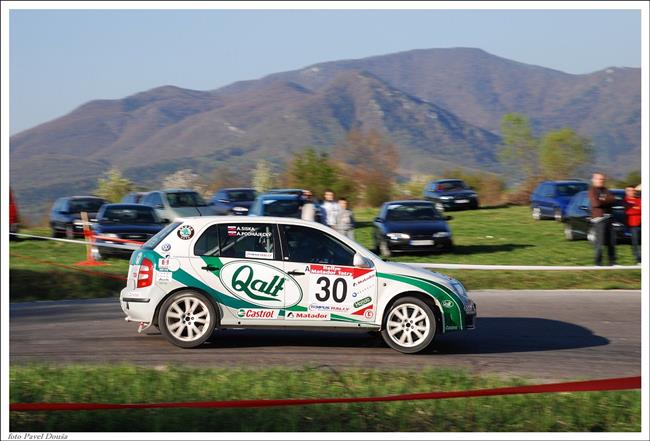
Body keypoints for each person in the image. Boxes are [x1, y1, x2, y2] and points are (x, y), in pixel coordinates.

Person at [588, 172, 617, 266]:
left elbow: (613, 200)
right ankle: (598, 263)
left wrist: (603, 199)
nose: (601, 181)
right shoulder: (592, 190)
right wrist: (605, 200)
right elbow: (596, 204)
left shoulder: (605, 189)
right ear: (594, 180)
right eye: (599, 179)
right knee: (599, 243)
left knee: (611, 242)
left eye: (603, 179)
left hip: (609, 218)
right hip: (599, 220)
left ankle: (612, 262)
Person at [624, 185, 641, 264]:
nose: (631, 192)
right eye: (629, 190)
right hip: (633, 224)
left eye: (633, 190)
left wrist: (635, 208)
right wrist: (637, 209)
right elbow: (628, 212)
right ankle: (638, 259)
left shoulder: (639, 200)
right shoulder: (625, 200)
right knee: (635, 242)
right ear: (626, 192)